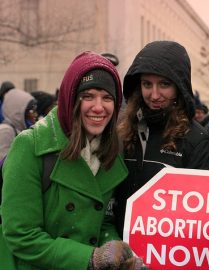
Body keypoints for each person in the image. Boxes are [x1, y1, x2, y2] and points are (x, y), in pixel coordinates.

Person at [0, 51, 146, 270]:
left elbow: (101, 219)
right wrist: (89, 258)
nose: (99, 107)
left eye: (107, 98)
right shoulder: (30, 146)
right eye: (88, 96)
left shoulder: (111, 149)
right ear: (70, 98)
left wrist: (116, 252)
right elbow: (21, 234)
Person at [114, 41, 209, 236]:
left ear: (179, 86)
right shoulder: (123, 131)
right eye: (147, 84)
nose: (154, 95)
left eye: (164, 84)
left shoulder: (197, 141)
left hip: (166, 255)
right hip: (121, 252)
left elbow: (200, 221)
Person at [0, 88, 37, 160]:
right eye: (31, 111)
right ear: (19, 111)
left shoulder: (18, 129)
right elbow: (4, 162)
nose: (35, 115)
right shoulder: (6, 131)